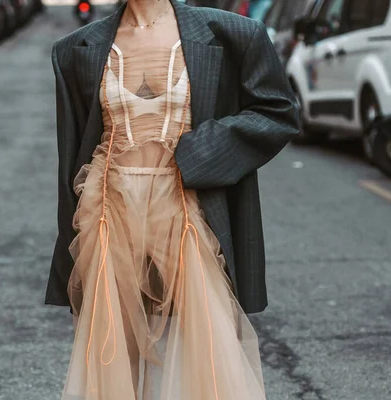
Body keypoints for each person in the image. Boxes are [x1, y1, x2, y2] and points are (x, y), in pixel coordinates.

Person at [46, 0, 300, 398]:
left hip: (188, 206)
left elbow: (278, 111)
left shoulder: (233, 34)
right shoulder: (75, 49)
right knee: (113, 353)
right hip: (107, 211)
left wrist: (202, 152)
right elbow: (71, 156)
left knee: (208, 349)